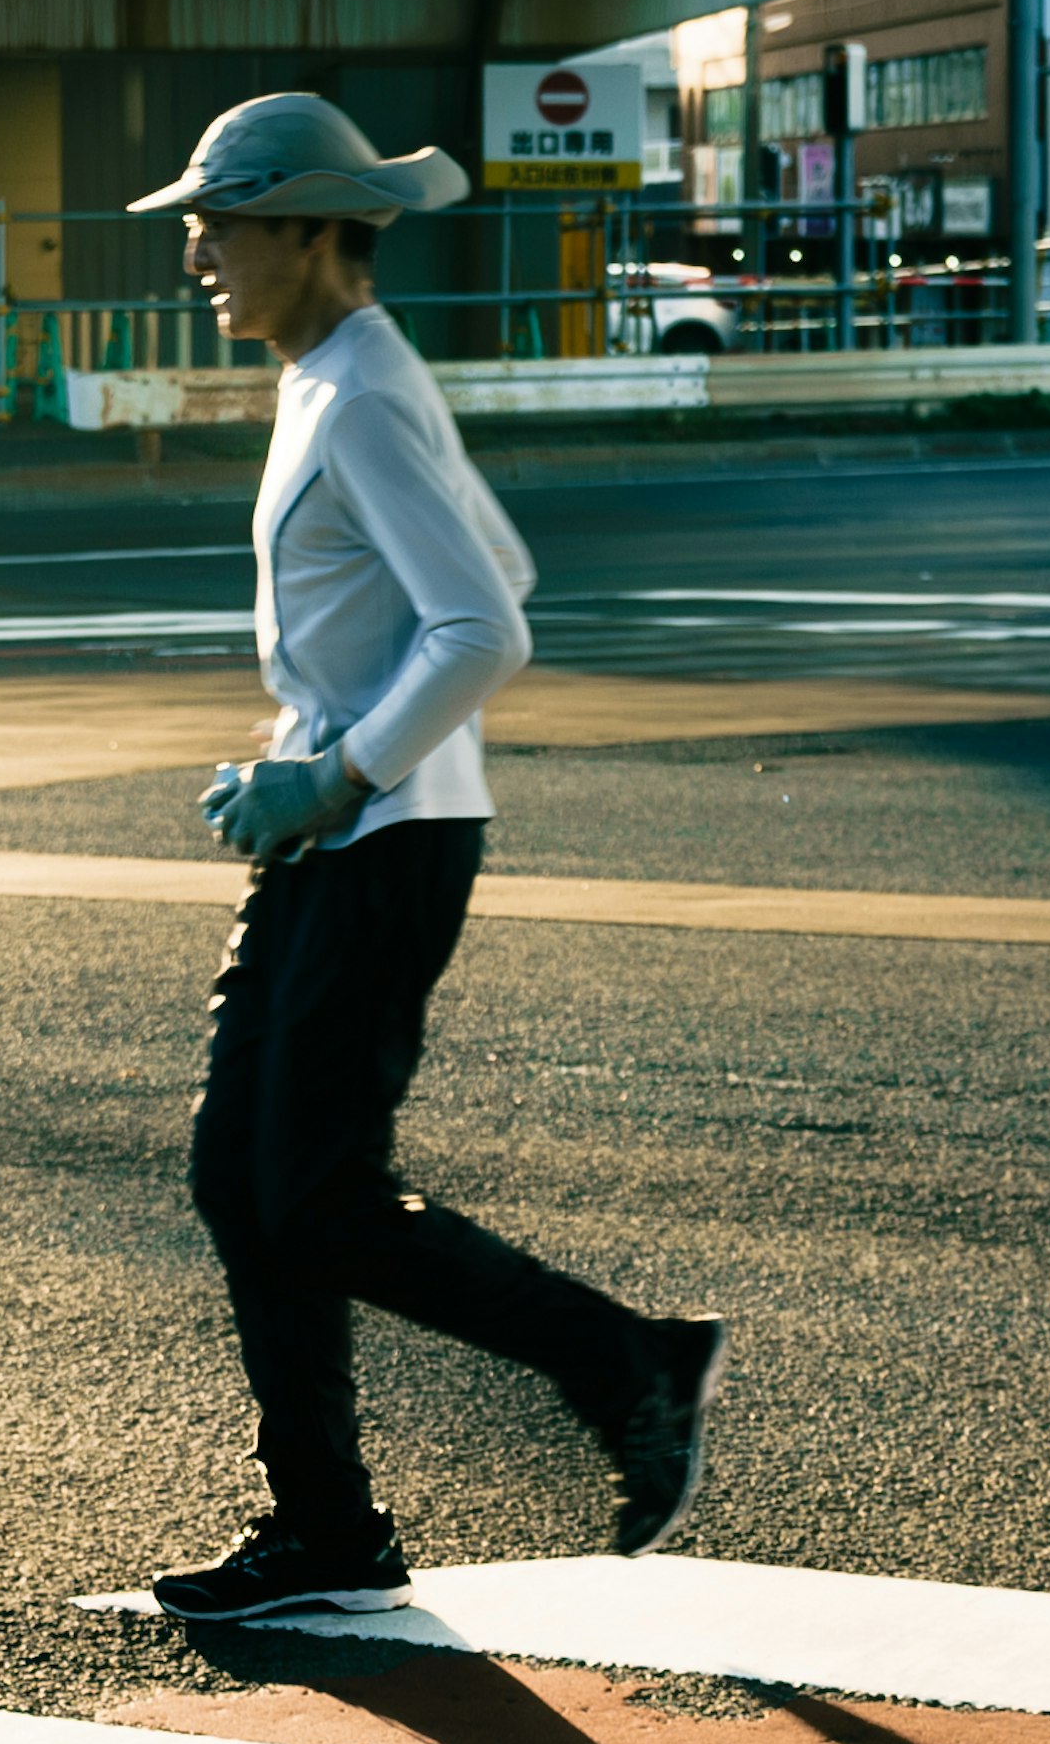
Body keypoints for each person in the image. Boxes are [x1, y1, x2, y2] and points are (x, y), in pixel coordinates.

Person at [132, 88, 724, 1623]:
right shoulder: (335, 373)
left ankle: (628, 1363)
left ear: (318, 229)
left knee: (312, 1194)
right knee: (237, 1178)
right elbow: (495, 563)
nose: (197, 245)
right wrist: (315, 748)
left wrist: (335, 768)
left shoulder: (364, 392)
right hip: (351, 820)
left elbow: (489, 624)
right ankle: (324, 1521)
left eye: (224, 217)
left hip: (390, 835)